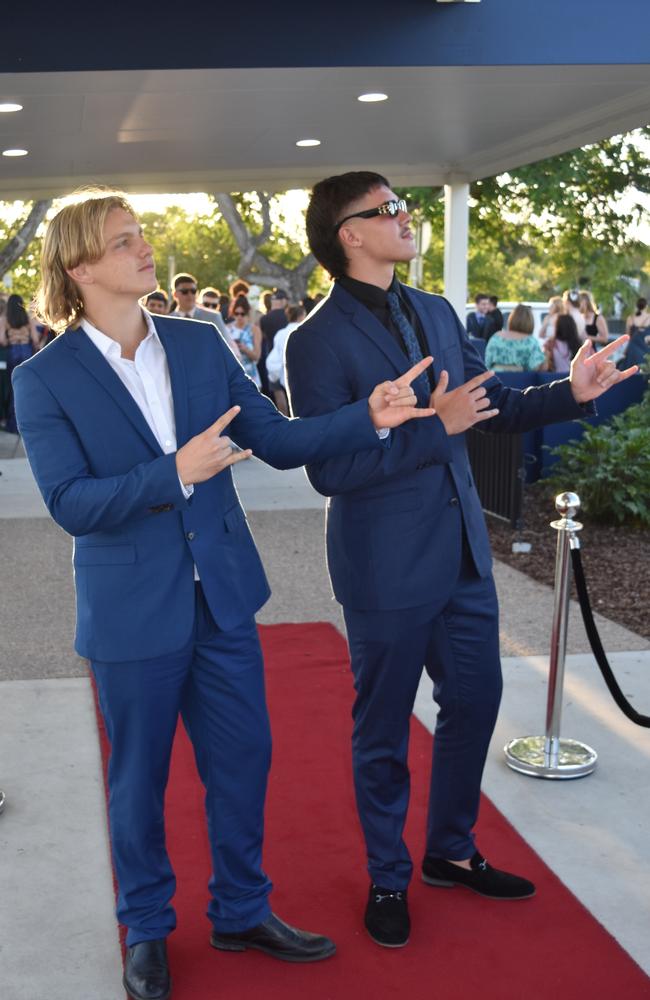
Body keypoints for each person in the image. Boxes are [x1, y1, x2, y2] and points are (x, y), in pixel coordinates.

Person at [12, 189, 433, 1000]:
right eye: (125, 240)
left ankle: (242, 909)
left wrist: (367, 416)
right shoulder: (44, 379)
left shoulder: (200, 344)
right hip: (132, 611)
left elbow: (273, 438)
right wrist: (173, 473)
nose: (146, 248)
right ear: (79, 267)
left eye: (142, 234)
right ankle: (146, 929)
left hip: (224, 599)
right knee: (138, 780)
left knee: (244, 762)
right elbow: (71, 504)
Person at [285, 170, 637, 950]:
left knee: (474, 703)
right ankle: (387, 877)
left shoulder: (438, 311)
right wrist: (431, 427)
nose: (406, 218)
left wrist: (569, 392)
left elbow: (491, 406)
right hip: (383, 567)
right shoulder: (316, 341)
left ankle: (449, 849)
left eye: (403, 204)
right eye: (388, 210)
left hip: (464, 561)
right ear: (349, 233)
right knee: (381, 732)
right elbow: (330, 468)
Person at [169, 273, 241, 360]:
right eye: (185, 291)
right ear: (175, 294)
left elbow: (228, 347)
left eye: (193, 291)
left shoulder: (213, 317)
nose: (190, 295)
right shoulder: (167, 321)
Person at [0, 294, 41, 433]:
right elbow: (35, 340)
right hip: (26, 352)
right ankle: (28, 421)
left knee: (13, 388)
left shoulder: (4, 319)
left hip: (12, 353)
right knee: (26, 387)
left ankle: (13, 424)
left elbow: (2, 340)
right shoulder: (27, 319)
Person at [266, 304, 306, 415]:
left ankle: (284, 419)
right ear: (301, 315)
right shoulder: (303, 331)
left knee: (281, 402)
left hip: (277, 367)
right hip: (296, 369)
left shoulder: (281, 333)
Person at [484, 304, 545, 372]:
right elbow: (535, 367)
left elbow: (487, 363)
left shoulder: (496, 337)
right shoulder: (531, 342)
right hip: (522, 380)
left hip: (497, 379)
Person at [258, 289, 290, 397]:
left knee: (277, 391)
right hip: (289, 355)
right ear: (283, 301)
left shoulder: (264, 319)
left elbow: (263, 337)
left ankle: (282, 414)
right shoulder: (288, 316)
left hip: (272, 355)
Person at [228, 295, 262, 386]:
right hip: (233, 377)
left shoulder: (254, 330)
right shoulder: (227, 329)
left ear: (247, 313)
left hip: (251, 377)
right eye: (236, 313)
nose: (239, 317)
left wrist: (245, 349)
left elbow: (257, 356)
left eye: (242, 314)